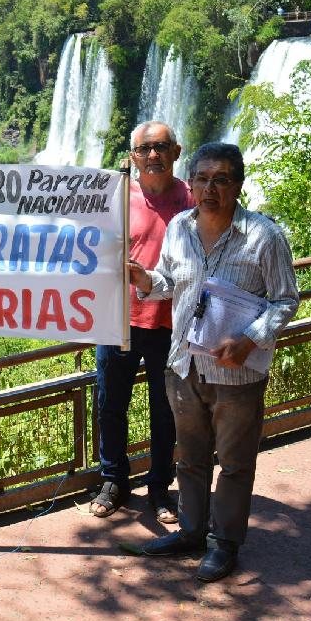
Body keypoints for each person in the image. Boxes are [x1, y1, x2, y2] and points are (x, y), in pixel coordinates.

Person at [130, 143, 299, 582]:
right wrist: (145, 279)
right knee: (190, 457)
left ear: (238, 184)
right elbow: (169, 282)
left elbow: (285, 301)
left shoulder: (264, 236)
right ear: (192, 183)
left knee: (236, 462)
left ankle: (224, 544)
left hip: (237, 370)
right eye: (202, 179)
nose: (210, 188)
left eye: (221, 179)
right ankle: (190, 531)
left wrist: (249, 340)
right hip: (184, 365)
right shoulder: (180, 228)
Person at [90, 121, 194, 523]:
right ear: (132, 156)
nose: (153, 155)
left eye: (161, 147)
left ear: (176, 151)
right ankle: (114, 480)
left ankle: (159, 488)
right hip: (118, 321)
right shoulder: (112, 198)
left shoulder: (193, 197)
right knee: (110, 405)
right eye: (145, 149)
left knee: (164, 410)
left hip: (172, 324)